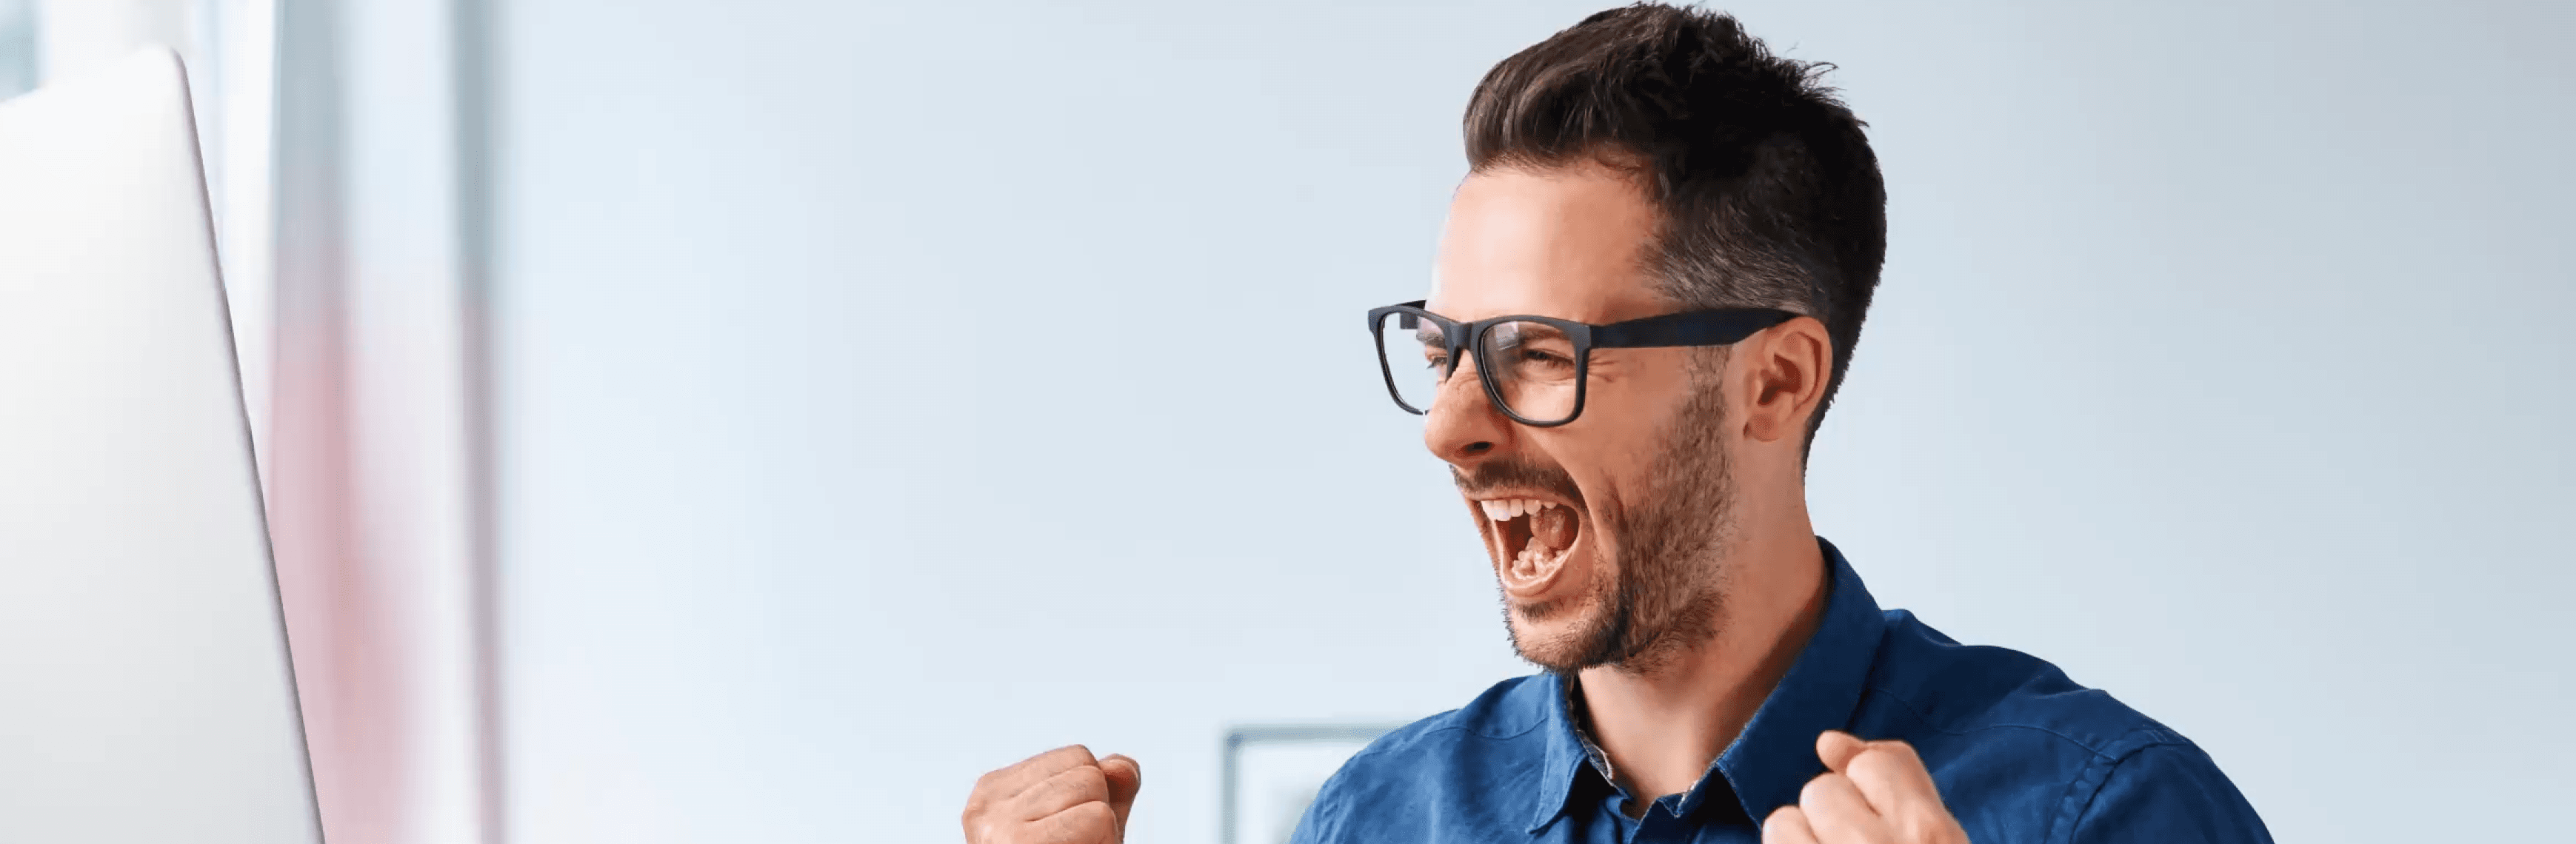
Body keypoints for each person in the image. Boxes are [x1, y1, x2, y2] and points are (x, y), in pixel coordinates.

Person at [961, 4, 2275, 843]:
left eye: (1539, 353)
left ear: (1776, 381)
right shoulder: (1384, 817)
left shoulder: (2112, 814)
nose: (1451, 429)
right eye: (1443, 350)